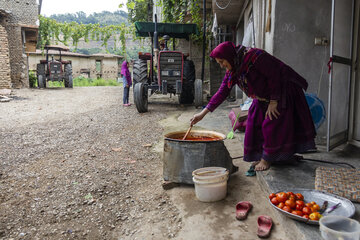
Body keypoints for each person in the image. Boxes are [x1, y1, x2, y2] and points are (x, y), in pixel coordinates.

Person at [190, 41, 316, 171]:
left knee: (272, 122)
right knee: (253, 120)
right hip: (263, 96)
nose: (222, 66)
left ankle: (267, 159)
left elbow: (275, 75)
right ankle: (268, 155)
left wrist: (274, 101)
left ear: (229, 56)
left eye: (222, 62)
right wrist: (202, 114)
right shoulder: (234, 68)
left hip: (283, 89)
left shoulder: (256, 57)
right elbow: (222, 92)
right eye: (219, 63)